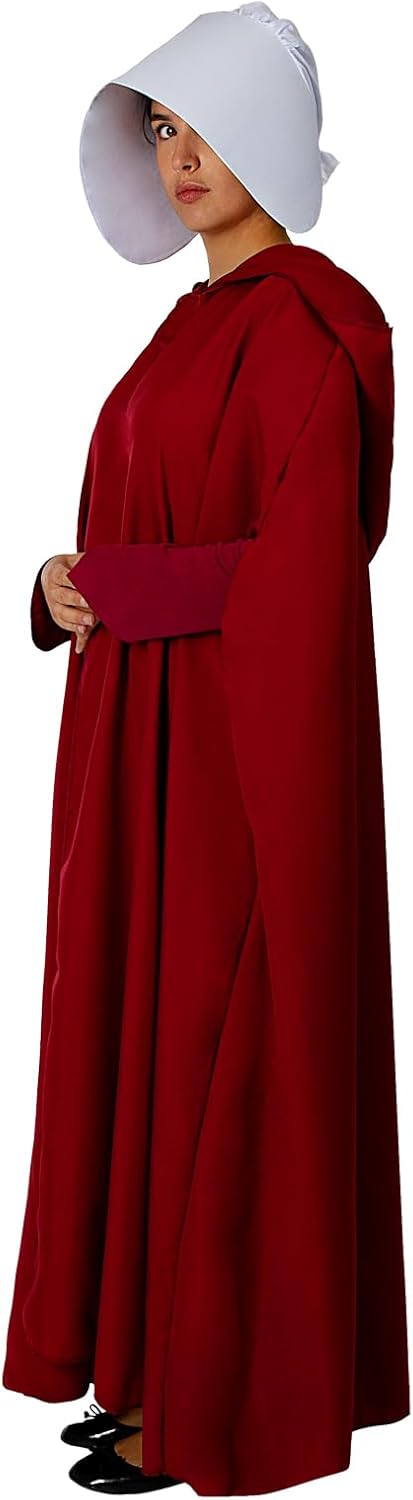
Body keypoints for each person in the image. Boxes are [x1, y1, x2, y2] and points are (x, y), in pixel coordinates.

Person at [2, 5, 410, 1497]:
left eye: (202, 127)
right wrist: (62, 587)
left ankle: (218, 1401)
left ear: (269, 136)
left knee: (219, 1042)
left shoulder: (318, 326)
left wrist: (120, 585)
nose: (179, 159)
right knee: (143, 1030)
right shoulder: (184, 328)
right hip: (143, 749)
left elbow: (306, 570)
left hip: (241, 761)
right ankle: (149, 1367)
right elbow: (139, 524)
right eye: (162, 131)